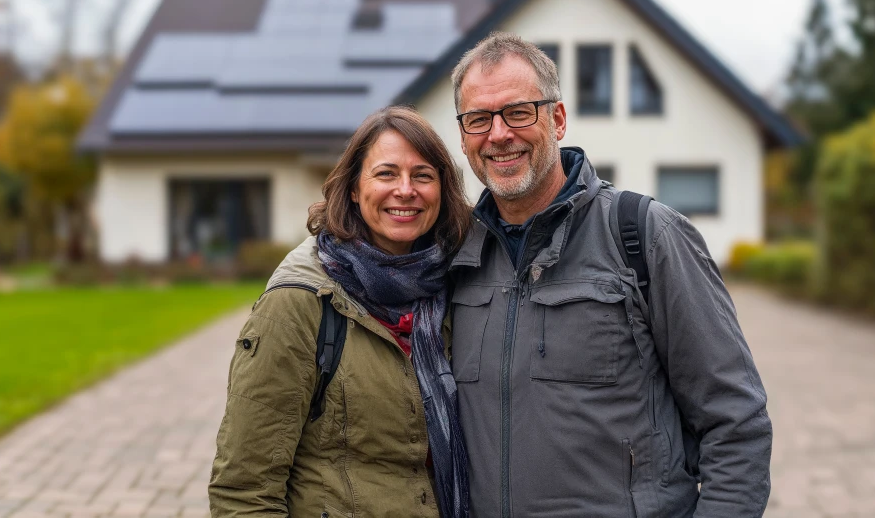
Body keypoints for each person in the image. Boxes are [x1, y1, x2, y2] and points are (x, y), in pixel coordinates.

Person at [446, 32, 772, 517]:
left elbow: (736, 425)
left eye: (518, 112)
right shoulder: (456, 257)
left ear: (557, 119)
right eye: (479, 119)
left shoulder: (645, 235)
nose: (498, 134)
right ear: (464, 135)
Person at [209, 106, 472, 518]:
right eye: (386, 174)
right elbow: (243, 491)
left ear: (442, 189)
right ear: (352, 188)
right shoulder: (300, 302)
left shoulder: (459, 288)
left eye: (422, 175)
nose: (405, 190)